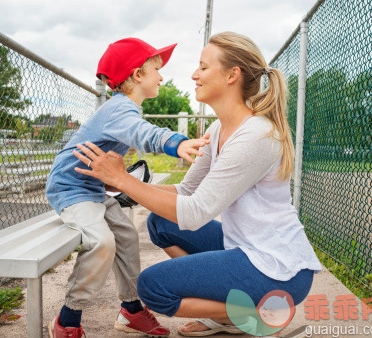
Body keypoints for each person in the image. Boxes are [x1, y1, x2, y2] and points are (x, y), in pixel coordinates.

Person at [72, 31, 322, 337]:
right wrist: (120, 185)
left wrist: (122, 178)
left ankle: (258, 311)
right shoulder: (219, 129)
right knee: (161, 222)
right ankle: (226, 308)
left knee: (153, 288)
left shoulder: (256, 136)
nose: (194, 74)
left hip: (278, 269)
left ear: (233, 75)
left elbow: (194, 213)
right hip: (242, 247)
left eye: (203, 67)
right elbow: (185, 192)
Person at [45, 37, 210, 338]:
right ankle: (67, 320)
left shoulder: (123, 108)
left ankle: (131, 310)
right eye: (156, 69)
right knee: (103, 242)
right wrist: (177, 143)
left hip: (94, 189)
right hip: (71, 189)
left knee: (127, 238)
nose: (162, 76)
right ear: (137, 75)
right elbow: (142, 133)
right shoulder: (120, 109)